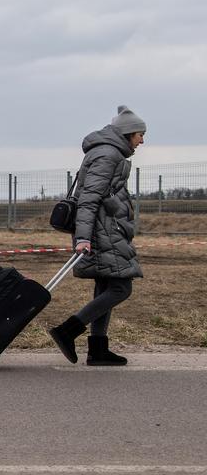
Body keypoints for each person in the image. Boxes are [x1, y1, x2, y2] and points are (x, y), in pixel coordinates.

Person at [48, 106, 146, 366]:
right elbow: (88, 200)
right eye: (140, 134)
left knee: (106, 285)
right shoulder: (108, 155)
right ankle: (68, 330)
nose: (142, 140)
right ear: (127, 133)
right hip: (102, 233)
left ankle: (98, 350)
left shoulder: (108, 152)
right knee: (121, 287)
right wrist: (83, 238)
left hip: (106, 230)